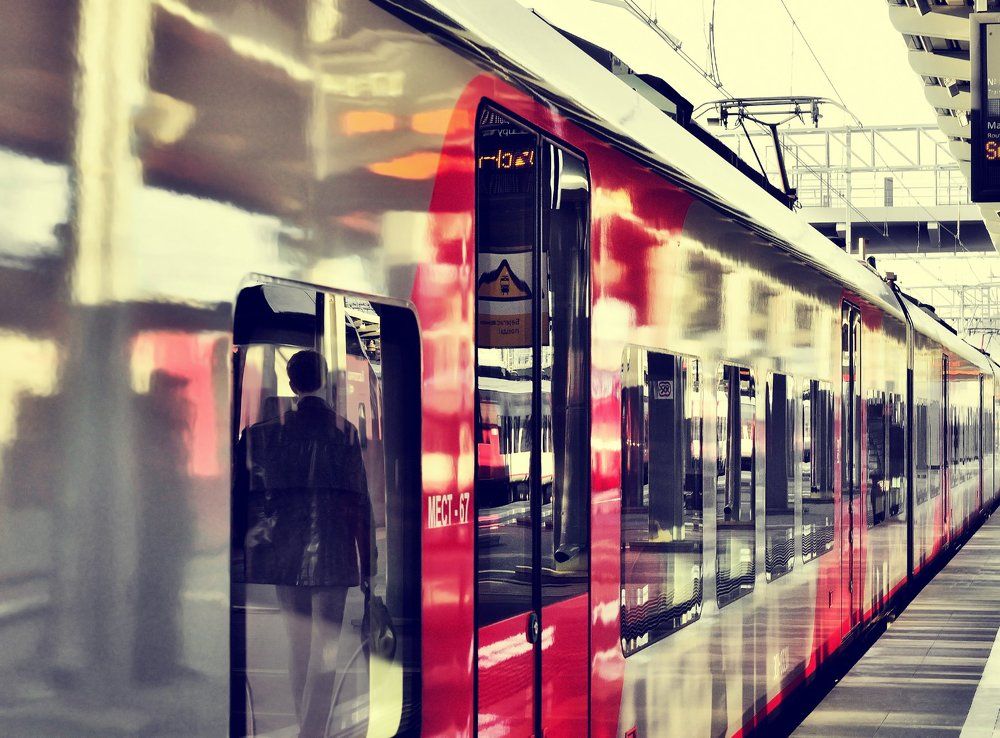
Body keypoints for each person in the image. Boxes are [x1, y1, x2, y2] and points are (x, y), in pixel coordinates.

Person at [237, 349, 373, 737]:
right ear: (324, 381)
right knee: (324, 650)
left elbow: (252, 497)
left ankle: (306, 724)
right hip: (333, 555)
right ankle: (312, 731)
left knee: (297, 647)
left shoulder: (265, 434)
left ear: (292, 384)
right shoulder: (344, 432)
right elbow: (359, 502)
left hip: (285, 554)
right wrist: (369, 563)